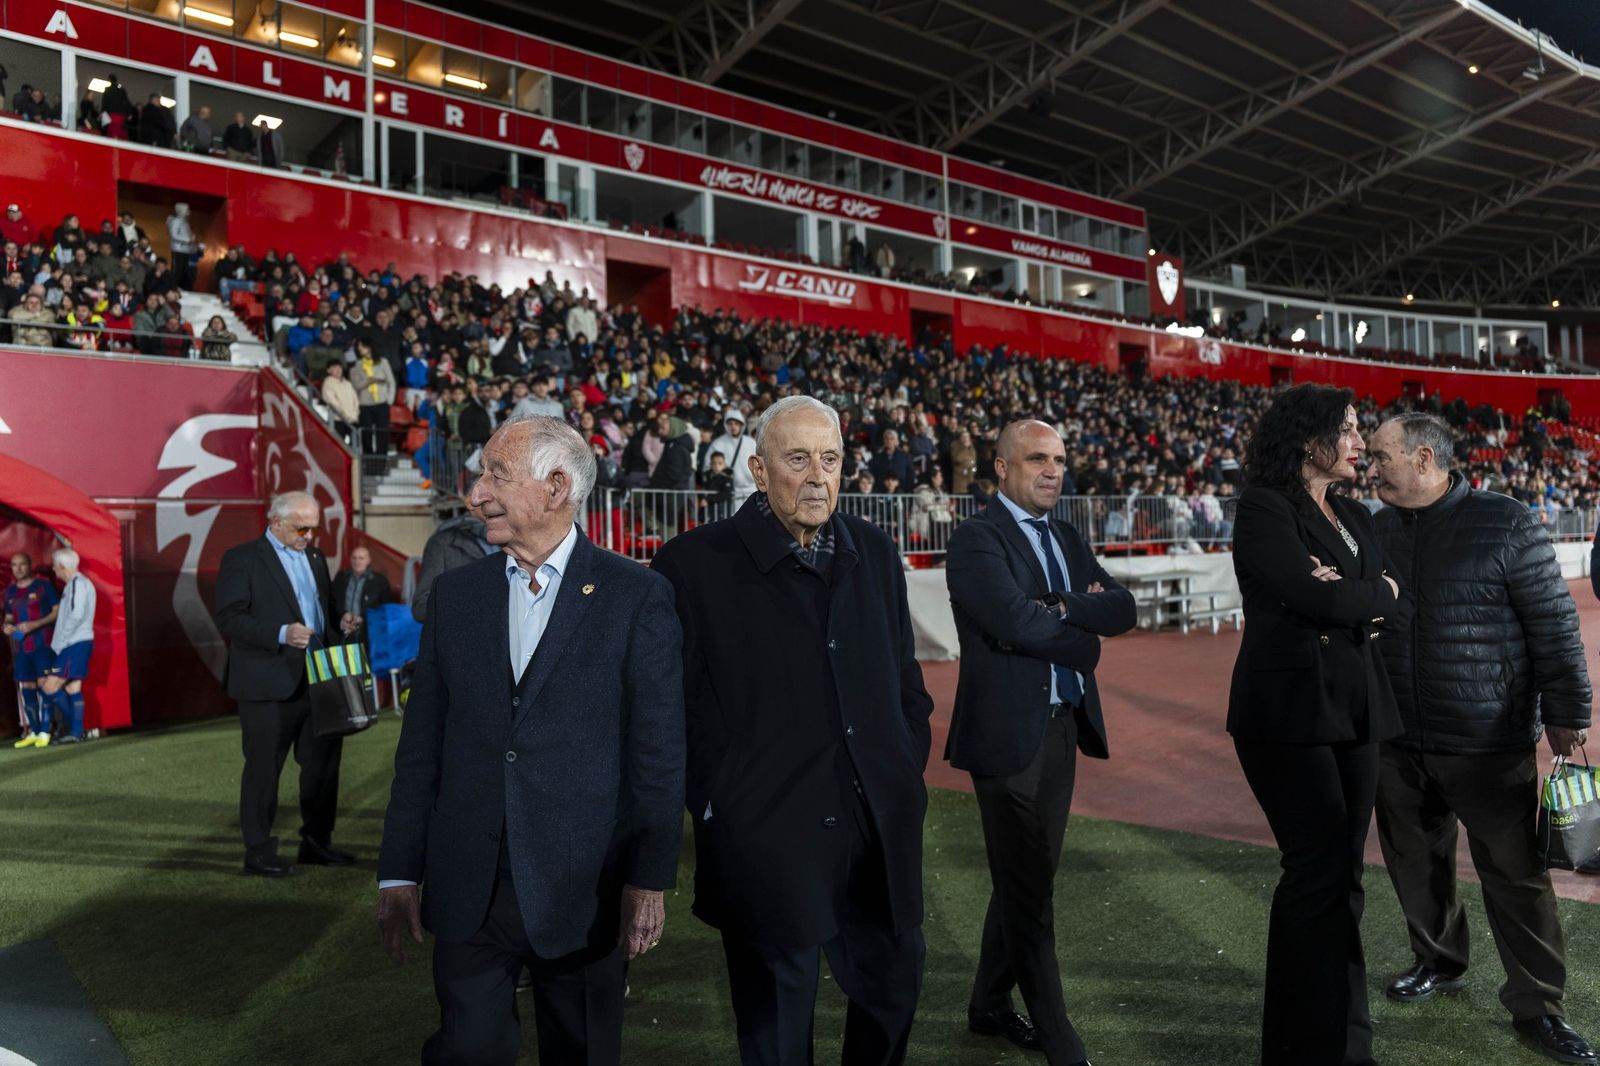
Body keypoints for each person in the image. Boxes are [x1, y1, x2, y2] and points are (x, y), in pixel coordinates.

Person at [377, 415, 685, 1066]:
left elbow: (657, 756)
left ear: (556, 486)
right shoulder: (455, 597)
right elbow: (421, 748)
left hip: (585, 891)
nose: (476, 494)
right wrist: (399, 870)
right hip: (469, 888)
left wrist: (649, 879)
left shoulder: (637, 596)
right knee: (466, 1051)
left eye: (497, 475)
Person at [651, 395, 933, 1066]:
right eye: (798, 458)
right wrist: (722, 803)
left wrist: (902, 768)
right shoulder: (691, 565)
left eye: (829, 460)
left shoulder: (874, 549)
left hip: (877, 831)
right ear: (758, 469)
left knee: (892, 996)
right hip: (766, 843)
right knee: (776, 1034)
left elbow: (904, 680)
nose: (816, 477)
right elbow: (672, 712)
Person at [1366, 413, 1595, 1065]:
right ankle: (1438, 960)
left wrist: (1567, 709)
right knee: (1415, 861)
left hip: (1488, 739)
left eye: (1381, 456)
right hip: (1397, 737)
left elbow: (1554, 624)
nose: (1370, 468)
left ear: (1424, 458)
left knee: (1516, 876)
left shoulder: (1506, 522)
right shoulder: (1374, 529)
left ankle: (1539, 1005)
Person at [943, 420, 1135, 1066]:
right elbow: (1011, 620)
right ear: (1001, 468)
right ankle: (1061, 1040)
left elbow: (1124, 608)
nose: (1053, 471)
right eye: (1037, 459)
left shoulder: (1067, 536)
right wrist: (1080, 633)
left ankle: (987, 1004)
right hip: (1004, 735)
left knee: (1025, 877)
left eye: (1058, 459)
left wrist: (1060, 607)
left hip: (1059, 728)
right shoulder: (976, 538)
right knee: (1028, 889)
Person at [1227, 384, 1401, 1066]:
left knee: (1344, 877)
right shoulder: (1264, 506)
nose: (1360, 442)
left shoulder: (1354, 512)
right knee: (1316, 872)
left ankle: (1346, 1045)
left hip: (1356, 707)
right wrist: (1357, 595)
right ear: (1309, 439)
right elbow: (1312, 596)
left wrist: (1354, 593)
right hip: (1288, 713)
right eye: (1349, 429)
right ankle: (1297, 1048)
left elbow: (1388, 595)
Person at [214, 491, 360, 877]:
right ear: (275, 522)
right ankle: (258, 852)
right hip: (266, 684)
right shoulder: (242, 558)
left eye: (314, 528)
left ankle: (316, 843)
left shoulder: (315, 558)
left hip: (318, 680)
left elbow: (324, 608)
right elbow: (229, 617)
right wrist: (281, 633)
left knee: (323, 768)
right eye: (301, 528)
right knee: (263, 771)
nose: (309, 536)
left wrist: (341, 620)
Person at [410, 490, 498, 623]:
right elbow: (421, 608)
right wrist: (473, 602)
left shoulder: (512, 541)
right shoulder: (444, 543)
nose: (495, 502)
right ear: (469, 501)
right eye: (488, 495)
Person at [39, 548, 95, 744]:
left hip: (74, 645)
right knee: (72, 687)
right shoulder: (74, 585)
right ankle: (76, 732)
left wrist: (61, 640)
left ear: (62, 566)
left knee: (49, 686)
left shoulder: (78, 584)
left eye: (55, 566)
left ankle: (73, 727)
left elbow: (76, 615)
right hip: (76, 644)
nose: (54, 569)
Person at [3, 552, 59, 748]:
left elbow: (57, 611)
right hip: (21, 649)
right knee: (26, 687)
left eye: (22, 564)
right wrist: (7, 626)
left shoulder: (43, 586)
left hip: (42, 644)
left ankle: (46, 730)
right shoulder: (9, 592)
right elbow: (9, 617)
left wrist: (36, 624)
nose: (18, 569)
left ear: (30, 565)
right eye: (14, 565)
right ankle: (34, 731)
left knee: (45, 685)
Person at [330, 546, 391, 647]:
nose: (357, 562)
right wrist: (342, 615)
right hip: (343, 633)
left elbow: (385, 610)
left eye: (361, 558)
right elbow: (333, 602)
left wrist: (364, 619)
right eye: (354, 558)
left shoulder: (380, 581)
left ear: (368, 560)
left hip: (368, 636)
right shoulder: (341, 577)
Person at [350, 339, 397, 456]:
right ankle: (368, 458)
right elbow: (356, 385)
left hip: (382, 403)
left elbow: (391, 382)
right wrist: (368, 381)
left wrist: (389, 400)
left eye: (362, 345)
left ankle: (381, 460)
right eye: (358, 346)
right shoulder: (357, 365)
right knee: (366, 434)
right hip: (365, 404)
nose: (359, 348)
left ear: (369, 347)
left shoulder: (383, 362)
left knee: (382, 433)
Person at [707, 407, 757, 510]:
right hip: (730, 491)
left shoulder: (751, 442)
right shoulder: (718, 443)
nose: (733, 427)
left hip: (751, 490)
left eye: (736, 424)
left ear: (741, 425)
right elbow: (708, 465)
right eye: (730, 424)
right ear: (726, 425)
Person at [321, 362, 360, 446]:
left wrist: (355, 413)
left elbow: (355, 399)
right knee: (337, 446)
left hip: (352, 418)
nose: (338, 370)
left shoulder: (348, 383)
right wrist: (345, 414)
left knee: (355, 445)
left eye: (340, 367)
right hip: (337, 419)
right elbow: (332, 402)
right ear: (328, 370)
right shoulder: (328, 383)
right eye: (335, 367)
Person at [166, 203, 199, 290]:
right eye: (187, 210)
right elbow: (174, 235)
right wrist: (188, 239)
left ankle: (181, 288)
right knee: (177, 271)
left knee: (184, 271)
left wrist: (192, 245)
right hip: (178, 250)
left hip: (185, 250)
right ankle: (173, 288)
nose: (189, 212)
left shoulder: (185, 222)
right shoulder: (176, 221)